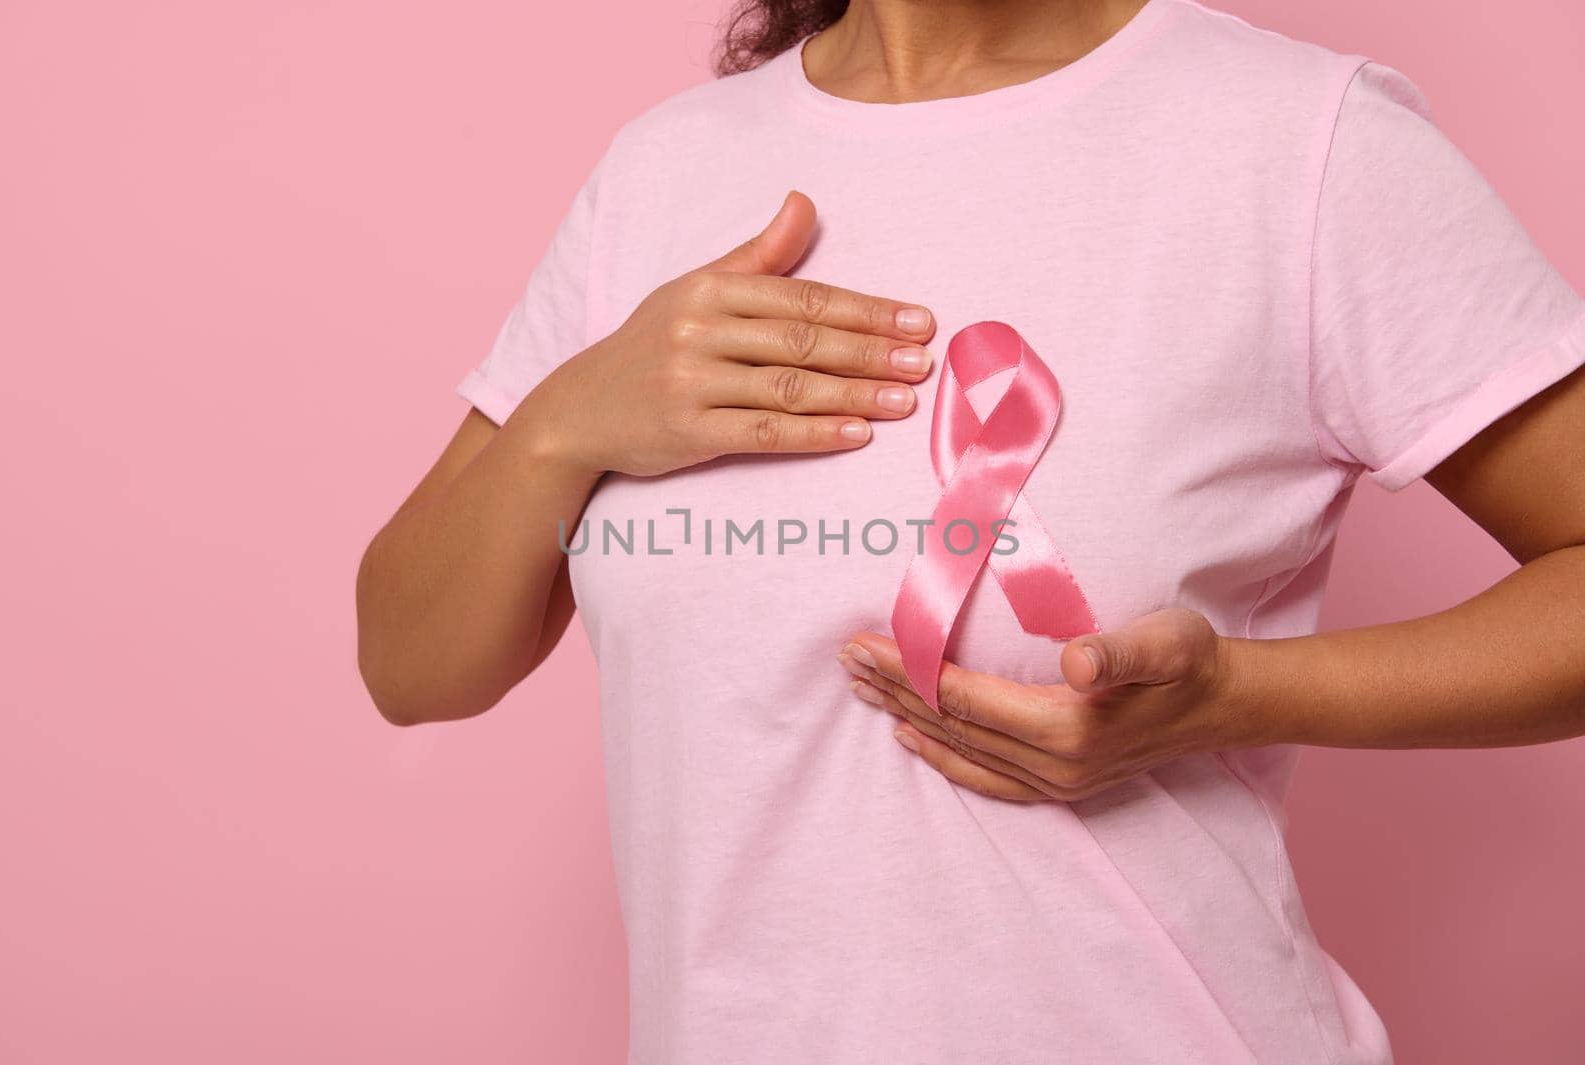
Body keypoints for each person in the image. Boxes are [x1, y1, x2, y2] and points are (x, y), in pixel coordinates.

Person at [354, 0, 1585, 1060]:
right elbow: (413, 663)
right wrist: (566, 421)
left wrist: (1240, 696)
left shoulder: (1302, 146)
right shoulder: (661, 175)